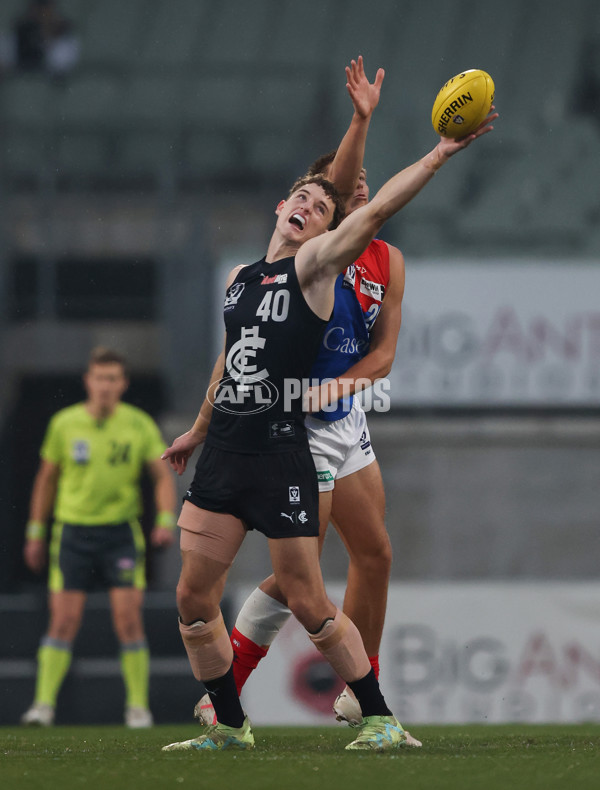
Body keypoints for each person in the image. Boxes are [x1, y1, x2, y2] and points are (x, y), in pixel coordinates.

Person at [160, 88, 496, 750]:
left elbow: (370, 215)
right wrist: (198, 430)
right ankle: (227, 719)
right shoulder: (242, 278)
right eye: (307, 198)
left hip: (308, 428)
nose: (322, 203)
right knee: (198, 598)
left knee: (327, 578)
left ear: (330, 222)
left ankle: (371, 710)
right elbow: (233, 360)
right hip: (237, 443)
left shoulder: (328, 260)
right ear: (281, 208)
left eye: (328, 204)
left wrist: (436, 156)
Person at [193, 153, 420, 742]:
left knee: (375, 553)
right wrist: (363, 120)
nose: (361, 187)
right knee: (299, 579)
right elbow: (237, 344)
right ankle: (226, 695)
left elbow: (384, 354)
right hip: (300, 422)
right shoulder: (323, 251)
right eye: (348, 187)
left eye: (367, 180)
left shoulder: (388, 260)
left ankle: (357, 695)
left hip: (345, 415)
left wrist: (341, 389)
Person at [20, 346, 177, 728]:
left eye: (112, 379)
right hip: (72, 531)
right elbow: (46, 479)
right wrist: (35, 531)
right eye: (99, 378)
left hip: (120, 533)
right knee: (63, 621)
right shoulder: (65, 423)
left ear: (122, 384)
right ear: (87, 381)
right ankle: (43, 706)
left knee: (127, 620)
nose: (105, 386)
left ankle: (137, 708)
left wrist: (165, 519)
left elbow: (161, 476)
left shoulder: (138, 424)